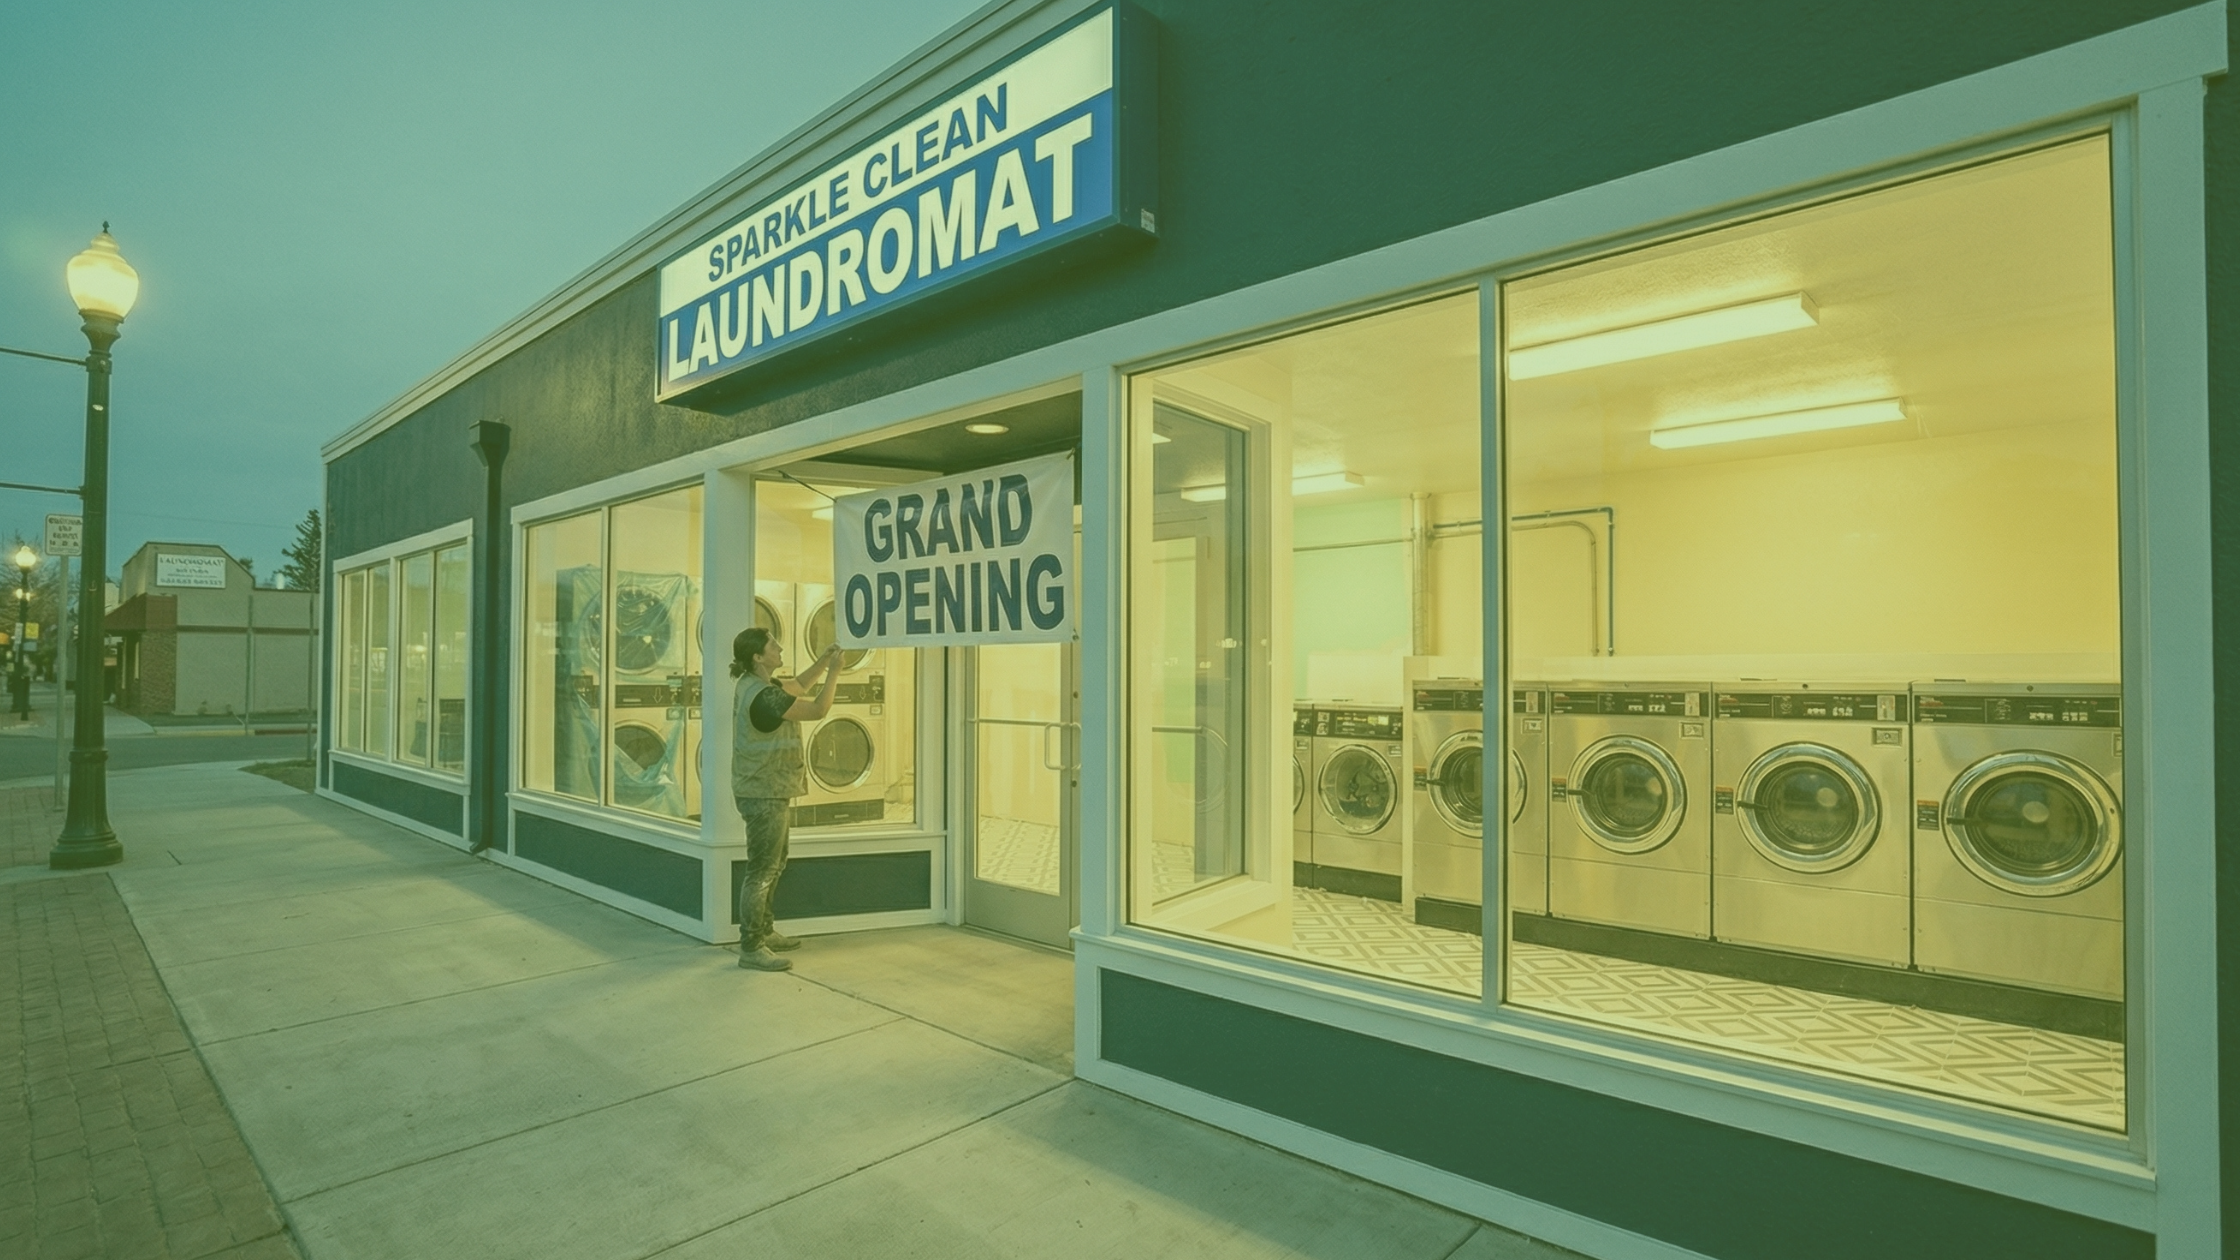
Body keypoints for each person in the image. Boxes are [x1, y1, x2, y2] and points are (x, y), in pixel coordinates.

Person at [730, 626, 841, 971]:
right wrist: (836, 672)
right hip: (763, 791)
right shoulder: (765, 697)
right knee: (762, 870)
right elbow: (818, 708)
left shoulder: (757, 685)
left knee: (773, 865)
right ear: (758, 657)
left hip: (766, 788)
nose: (780, 649)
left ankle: (765, 931)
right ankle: (751, 946)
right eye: (773, 646)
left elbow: (799, 686)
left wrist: (823, 661)